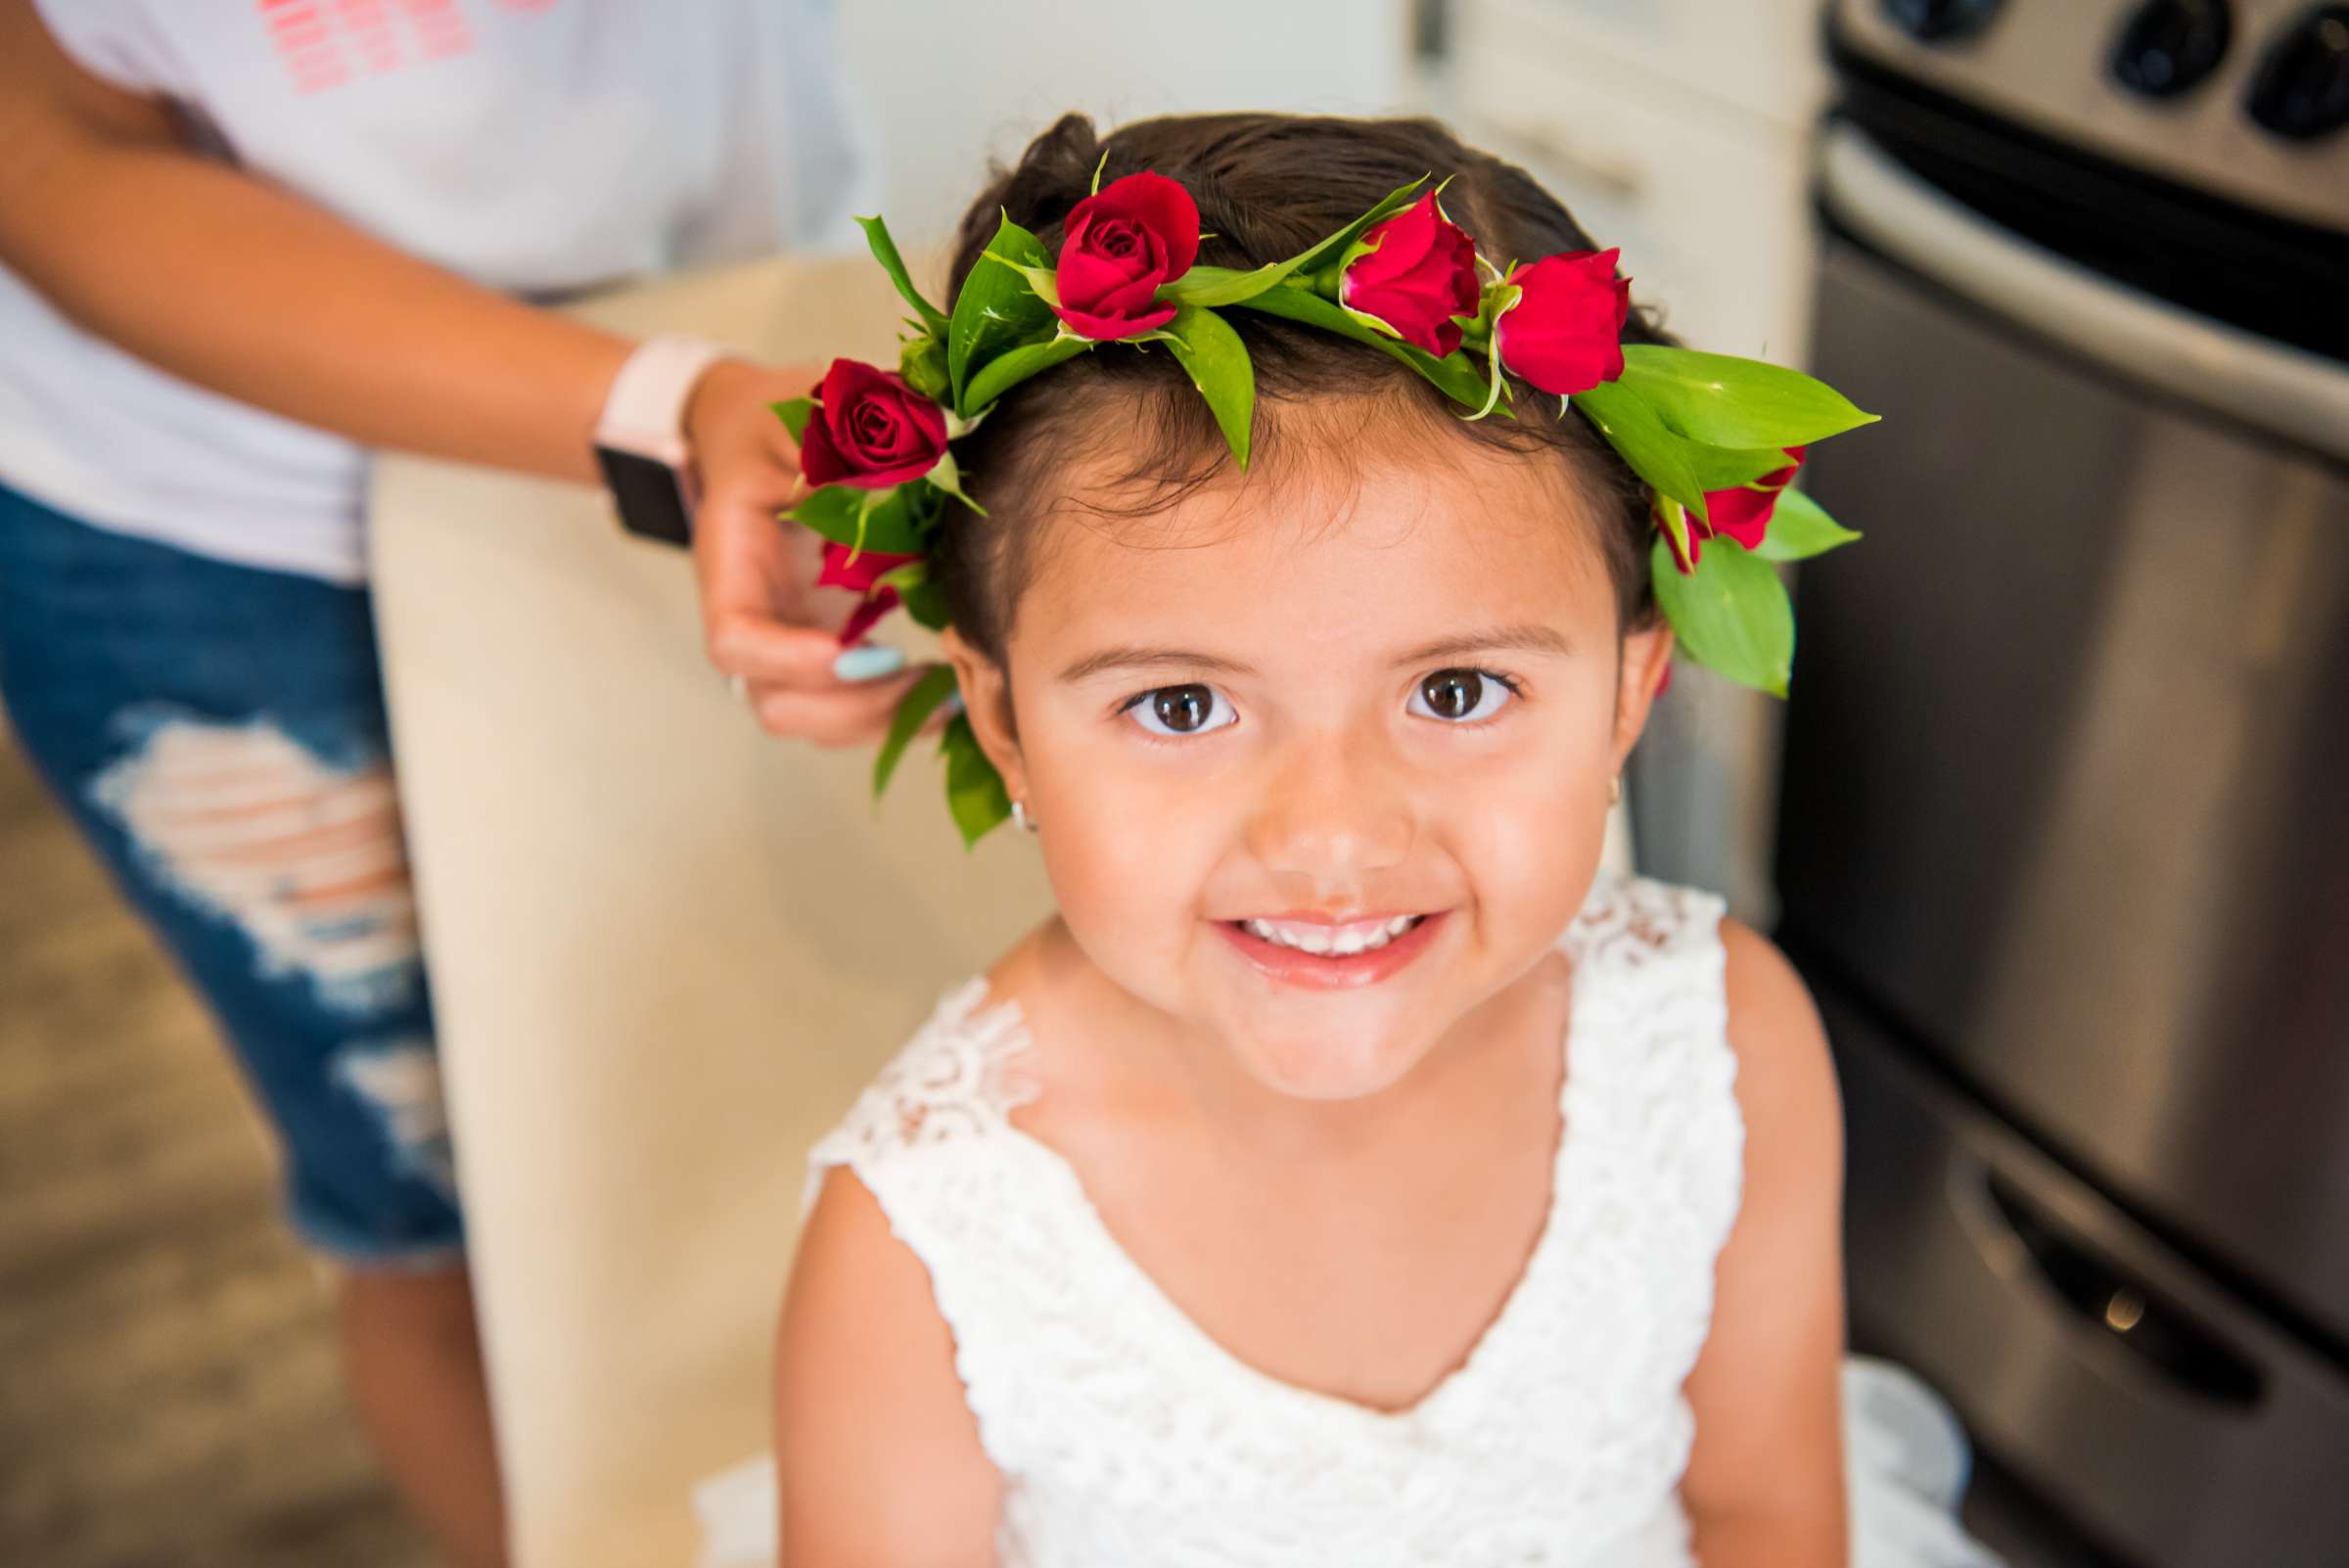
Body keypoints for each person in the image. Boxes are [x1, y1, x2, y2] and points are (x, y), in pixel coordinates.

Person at [761, 113, 2008, 1565]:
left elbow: (1764, 1513)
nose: (1335, 835)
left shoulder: (1718, 1046)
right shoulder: (922, 1244)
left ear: (1628, 693)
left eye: (1457, 690)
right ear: (1005, 725)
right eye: (1180, 703)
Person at [0, 6, 933, 1566]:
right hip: (219, 506)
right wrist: (656, 407)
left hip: (749, 342)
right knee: (440, 1205)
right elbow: (47, 148)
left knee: (809, 1079)